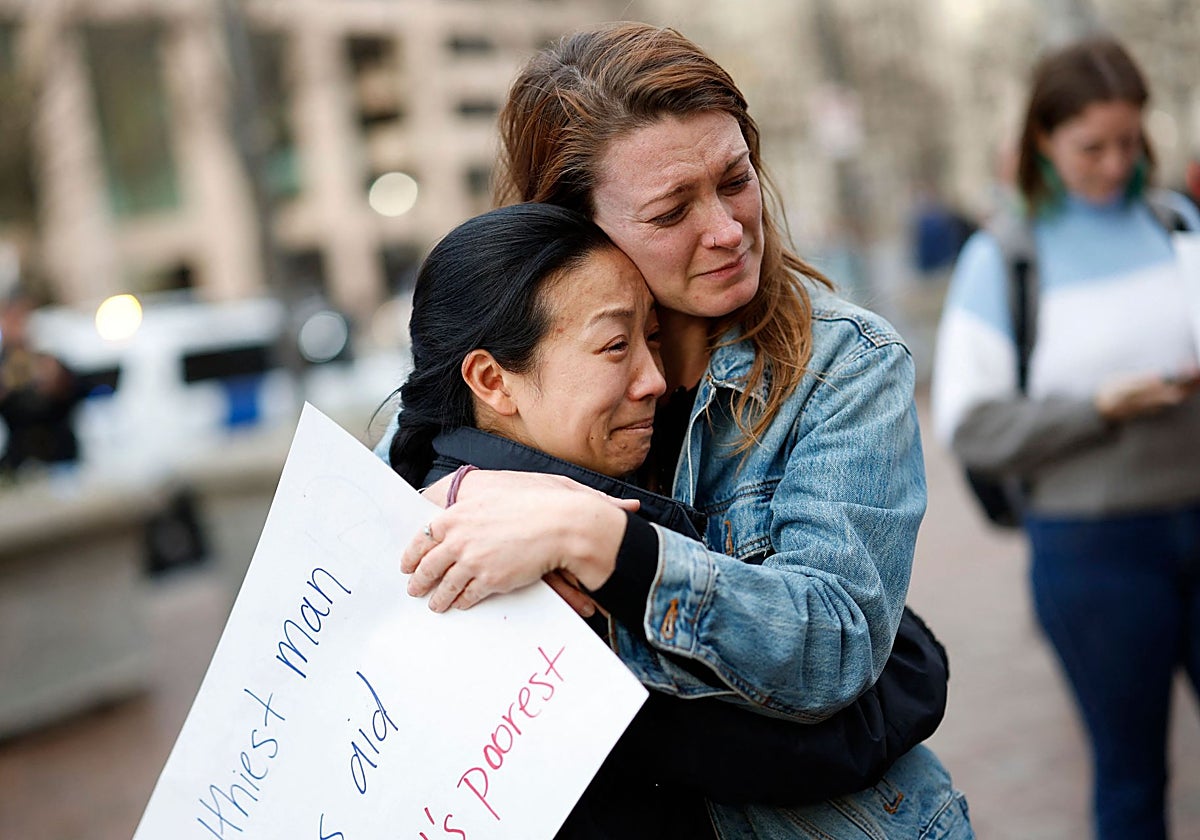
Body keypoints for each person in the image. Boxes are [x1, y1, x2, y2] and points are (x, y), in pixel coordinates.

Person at [393, 22, 972, 839]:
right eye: (670, 211)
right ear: (577, 225)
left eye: (735, 179)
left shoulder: (845, 365)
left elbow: (836, 648)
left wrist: (602, 547)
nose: (729, 230)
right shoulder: (487, 372)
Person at [931, 36, 1200, 840]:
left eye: (1129, 141)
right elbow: (971, 427)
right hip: (1095, 556)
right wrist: (1099, 410)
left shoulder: (1176, 224)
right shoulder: (1003, 260)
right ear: (1044, 141)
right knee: (1132, 777)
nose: (1116, 164)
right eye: (1092, 147)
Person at [0, 292, 82, 476]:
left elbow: (74, 394)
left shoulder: (47, 356)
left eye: (19, 319)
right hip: (20, 457)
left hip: (60, 455)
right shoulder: (4, 363)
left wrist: (57, 381)